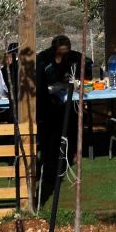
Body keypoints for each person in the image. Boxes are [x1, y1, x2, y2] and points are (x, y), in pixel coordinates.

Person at [35, 34, 85, 202]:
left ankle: (69, 154)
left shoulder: (71, 58)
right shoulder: (43, 59)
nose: (64, 55)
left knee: (71, 116)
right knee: (50, 134)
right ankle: (49, 166)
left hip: (62, 100)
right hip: (46, 103)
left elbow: (82, 64)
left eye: (67, 51)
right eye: (61, 52)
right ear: (55, 49)